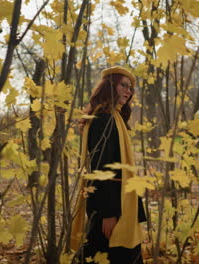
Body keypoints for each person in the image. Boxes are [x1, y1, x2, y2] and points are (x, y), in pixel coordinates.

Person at [71, 66, 146, 264]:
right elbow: (100, 168)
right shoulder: (103, 119)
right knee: (109, 254)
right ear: (109, 86)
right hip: (111, 202)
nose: (129, 91)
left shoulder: (115, 117)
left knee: (119, 253)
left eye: (130, 88)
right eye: (124, 85)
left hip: (120, 198)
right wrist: (107, 213)